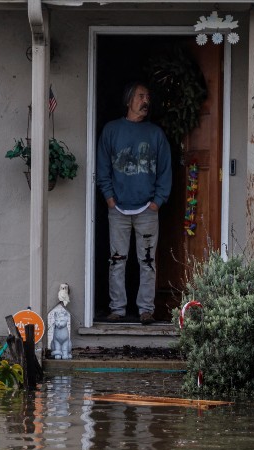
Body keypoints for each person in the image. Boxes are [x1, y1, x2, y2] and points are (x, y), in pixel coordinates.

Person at [96, 82, 172, 325]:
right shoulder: (112, 130)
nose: (145, 101)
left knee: (147, 261)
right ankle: (117, 309)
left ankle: (146, 310)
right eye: (141, 96)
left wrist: (157, 202)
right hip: (117, 208)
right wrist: (109, 198)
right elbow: (103, 166)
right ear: (129, 100)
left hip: (147, 209)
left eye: (148, 96)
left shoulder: (156, 134)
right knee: (117, 260)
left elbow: (165, 171)